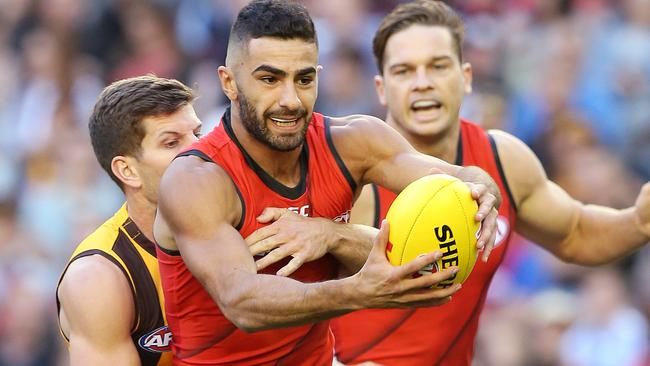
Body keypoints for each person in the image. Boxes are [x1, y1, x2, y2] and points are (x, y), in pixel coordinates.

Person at [152, 1, 501, 365]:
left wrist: (481, 192)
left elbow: (460, 176)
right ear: (229, 82)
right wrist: (359, 291)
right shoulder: (196, 178)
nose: (290, 100)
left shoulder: (353, 140)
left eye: (304, 79)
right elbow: (241, 302)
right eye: (269, 79)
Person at [325, 1, 650, 365]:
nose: (422, 83)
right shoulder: (351, 176)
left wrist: (640, 221)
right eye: (404, 71)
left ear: (465, 77)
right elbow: (286, 296)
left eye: (438, 66)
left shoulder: (502, 160)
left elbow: (576, 233)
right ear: (382, 88)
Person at [56, 75, 203, 365]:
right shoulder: (98, 278)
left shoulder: (241, 215)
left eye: (198, 134)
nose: (199, 149)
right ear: (127, 171)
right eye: (172, 142)